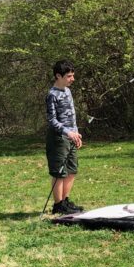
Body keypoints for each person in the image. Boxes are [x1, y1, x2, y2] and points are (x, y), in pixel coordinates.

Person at [46, 59, 84, 215]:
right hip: (59, 138)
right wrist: (67, 132)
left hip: (72, 136)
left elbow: (71, 116)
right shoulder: (52, 95)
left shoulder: (68, 91)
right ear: (58, 76)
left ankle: (66, 201)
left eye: (72, 75)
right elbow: (52, 120)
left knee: (72, 169)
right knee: (59, 172)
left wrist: (76, 133)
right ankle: (58, 204)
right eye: (69, 76)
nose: (72, 79)